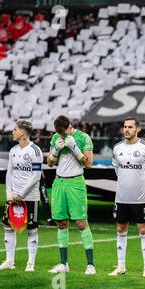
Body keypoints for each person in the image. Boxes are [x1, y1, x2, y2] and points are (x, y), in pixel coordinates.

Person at [46, 115, 96, 275]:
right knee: (61, 222)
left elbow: (89, 164)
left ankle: (90, 265)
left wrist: (75, 148)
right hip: (59, 182)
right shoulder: (56, 137)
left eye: (64, 132)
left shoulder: (83, 137)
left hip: (76, 183)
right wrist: (55, 151)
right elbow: (49, 163)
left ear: (70, 127)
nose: (62, 136)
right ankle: (63, 263)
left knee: (81, 222)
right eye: (59, 134)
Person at [109, 117, 145, 277]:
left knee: (143, 230)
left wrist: (144, 186)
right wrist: (124, 183)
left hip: (140, 198)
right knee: (121, 229)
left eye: (130, 127)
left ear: (138, 129)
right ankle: (121, 266)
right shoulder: (117, 148)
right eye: (125, 127)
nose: (127, 130)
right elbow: (116, 169)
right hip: (121, 197)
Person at [0, 121, 43, 272]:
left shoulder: (35, 151)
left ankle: (30, 263)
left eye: (15, 130)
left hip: (29, 197)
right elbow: (10, 172)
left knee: (31, 229)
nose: (12, 132)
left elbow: (36, 176)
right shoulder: (13, 150)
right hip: (13, 196)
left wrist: (21, 194)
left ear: (22, 132)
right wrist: (9, 193)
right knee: (7, 225)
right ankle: (9, 261)